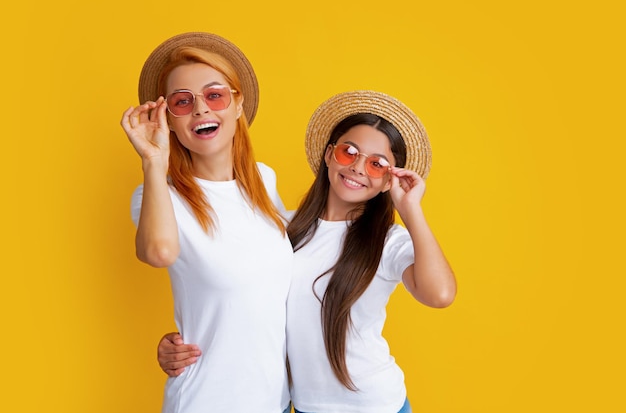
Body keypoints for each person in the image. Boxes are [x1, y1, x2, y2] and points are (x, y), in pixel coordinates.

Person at [157, 90, 457, 413]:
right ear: (329, 155)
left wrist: (411, 210)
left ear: (388, 181)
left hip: (376, 405)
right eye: (349, 152)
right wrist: (180, 342)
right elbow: (232, 285)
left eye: (376, 164)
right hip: (303, 406)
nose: (357, 167)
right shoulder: (281, 229)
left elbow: (439, 294)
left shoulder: (386, 241)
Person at [120, 32, 293, 413]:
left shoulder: (264, 181)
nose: (201, 109)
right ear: (168, 119)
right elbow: (159, 252)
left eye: (214, 95)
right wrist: (153, 160)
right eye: (183, 102)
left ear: (237, 104)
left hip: (276, 402)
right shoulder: (158, 195)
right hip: (208, 402)